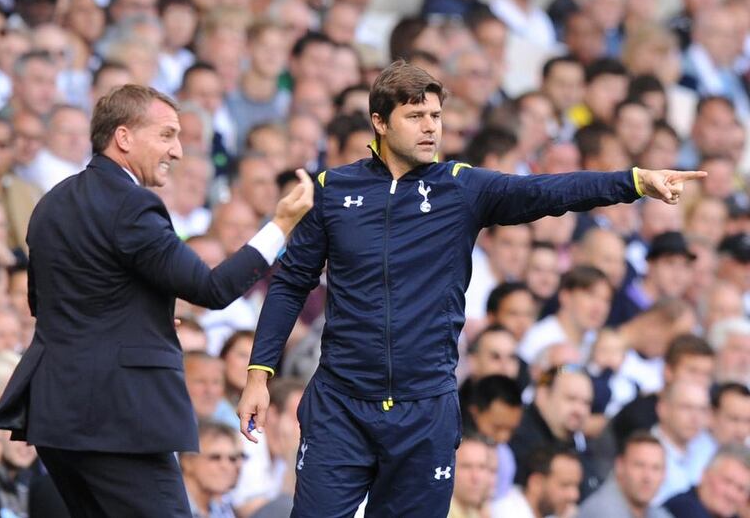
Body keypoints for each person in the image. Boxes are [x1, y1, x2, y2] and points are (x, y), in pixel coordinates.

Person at [238, 60, 704, 518]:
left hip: (425, 409)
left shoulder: (461, 188)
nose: (430, 128)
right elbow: (291, 283)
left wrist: (634, 181)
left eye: (436, 116)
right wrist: (260, 373)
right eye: (415, 116)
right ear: (379, 122)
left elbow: (547, 191)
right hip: (341, 405)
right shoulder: (332, 189)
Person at [0, 84, 314, 517]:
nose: (177, 151)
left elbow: (54, 302)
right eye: (166, 135)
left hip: (55, 412)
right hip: (117, 416)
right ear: (123, 137)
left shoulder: (53, 201)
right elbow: (211, 289)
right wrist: (281, 225)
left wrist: (142, 317)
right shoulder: (133, 205)